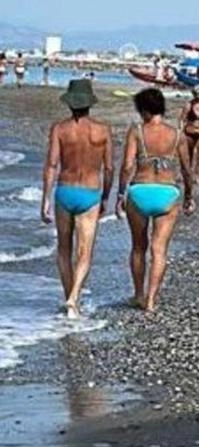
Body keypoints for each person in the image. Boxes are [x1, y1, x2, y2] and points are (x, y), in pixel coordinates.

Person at [116, 88, 195, 313]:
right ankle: (152, 299)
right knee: (159, 250)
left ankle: (138, 294)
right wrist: (189, 196)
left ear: (144, 110)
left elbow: (127, 166)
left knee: (138, 247)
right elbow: (187, 170)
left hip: (140, 190)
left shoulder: (137, 131)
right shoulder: (177, 134)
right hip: (167, 193)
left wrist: (121, 194)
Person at [40, 79, 113, 318]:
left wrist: (46, 199)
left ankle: (68, 297)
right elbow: (109, 167)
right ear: (89, 103)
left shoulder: (60, 129)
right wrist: (106, 197)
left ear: (70, 103)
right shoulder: (103, 130)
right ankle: (74, 299)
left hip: (65, 190)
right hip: (90, 192)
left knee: (63, 248)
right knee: (85, 251)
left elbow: (52, 164)